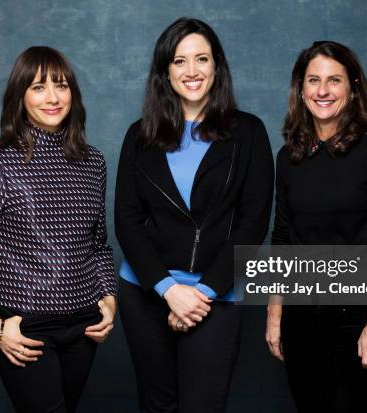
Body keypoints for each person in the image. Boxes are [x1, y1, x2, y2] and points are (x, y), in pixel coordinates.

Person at [115, 17, 274, 413]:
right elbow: (127, 220)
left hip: (215, 295)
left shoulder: (249, 133)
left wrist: (200, 296)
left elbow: (253, 223)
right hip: (146, 293)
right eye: (179, 61)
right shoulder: (139, 135)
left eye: (201, 59)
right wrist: (168, 290)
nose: (192, 71)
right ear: (164, 72)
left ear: (216, 66)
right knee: (157, 406)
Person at [0, 46, 117, 413]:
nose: (53, 97)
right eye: (39, 87)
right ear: (20, 96)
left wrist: (108, 298)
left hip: (84, 325)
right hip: (24, 328)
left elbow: (99, 245)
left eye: (61, 85)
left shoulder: (94, 162)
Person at [265, 41, 367, 413]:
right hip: (301, 320)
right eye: (313, 80)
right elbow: (282, 240)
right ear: (301, 89)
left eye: (334, 80)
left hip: (358, 319)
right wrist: (275, 315)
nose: (323, 91)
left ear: (354, 86)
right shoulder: (289, 157)